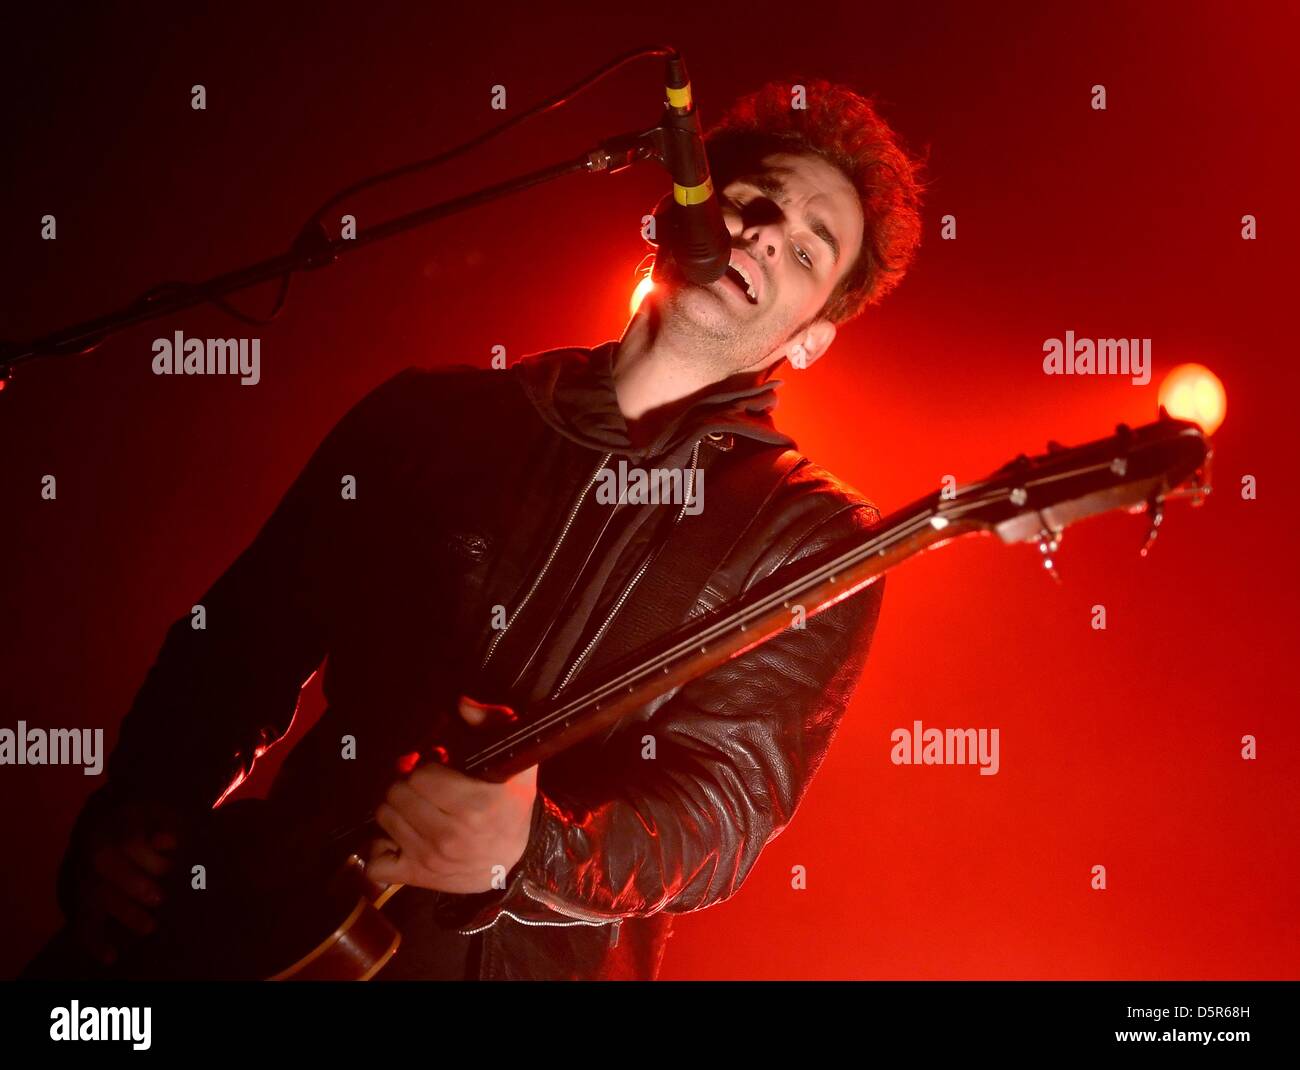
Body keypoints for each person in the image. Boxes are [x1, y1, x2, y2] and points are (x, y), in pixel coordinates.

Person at [25, 77, 925, 981]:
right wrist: (139, 811)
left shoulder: (812, 540)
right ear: (672, 212)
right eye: (751, 200)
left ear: (810, 340)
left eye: (811, 251)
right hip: (254, 919)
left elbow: (719, 812)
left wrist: (529, 853)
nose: (770, 233)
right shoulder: (431, 415)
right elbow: (238, 645)